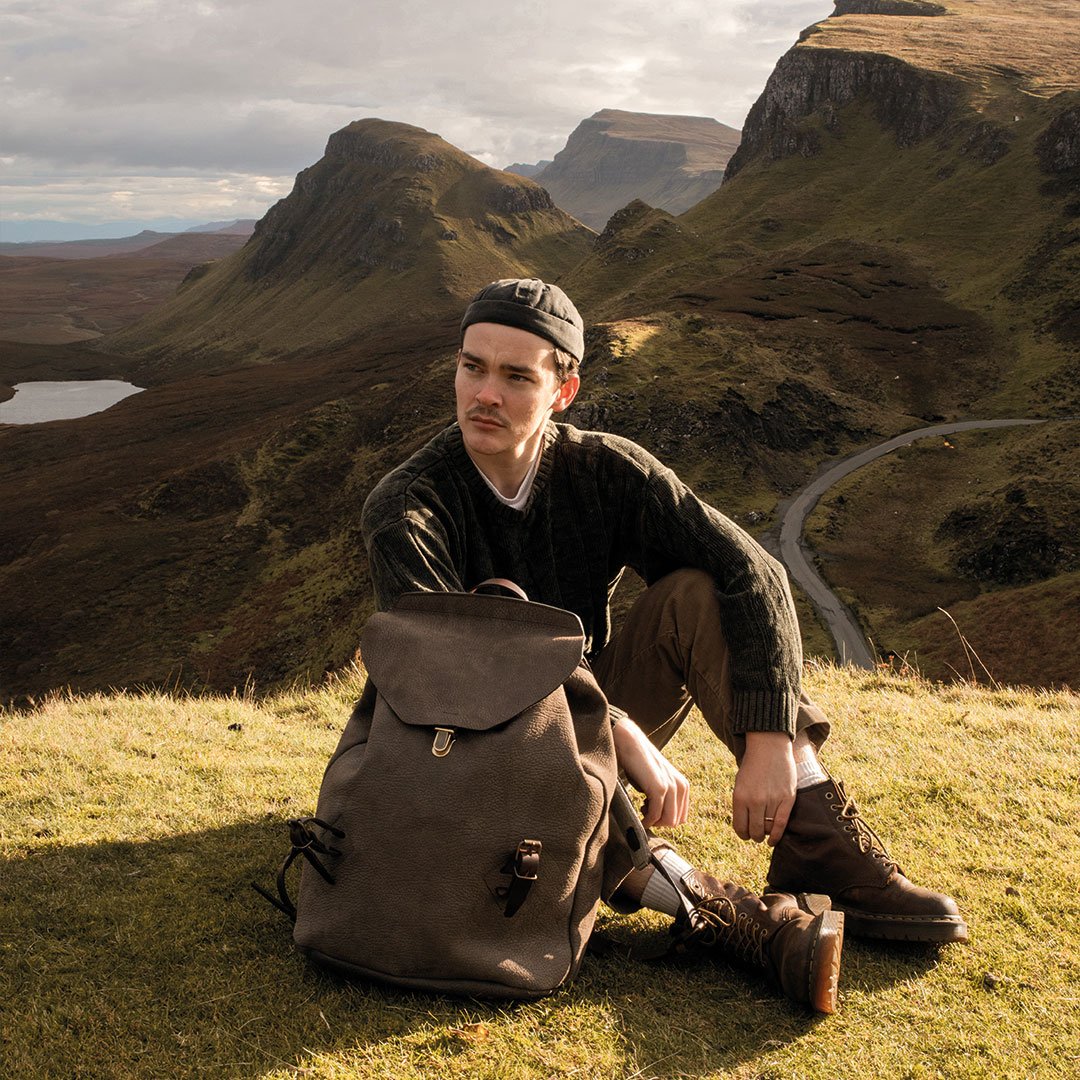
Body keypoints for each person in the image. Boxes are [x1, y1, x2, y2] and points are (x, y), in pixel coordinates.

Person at [361, 278, 966, 1014]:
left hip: (591, 710)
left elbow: (755, 572)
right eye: (472, 367)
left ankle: (816, 841)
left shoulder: (605, 469)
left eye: (516, 376)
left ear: (563, 391)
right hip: (463, 748)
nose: (484, 394)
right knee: (523, 757)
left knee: (695, 590)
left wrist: (772, 739)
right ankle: (717, 910)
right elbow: (455, 671)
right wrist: (618, 730)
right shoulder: (408, 505)